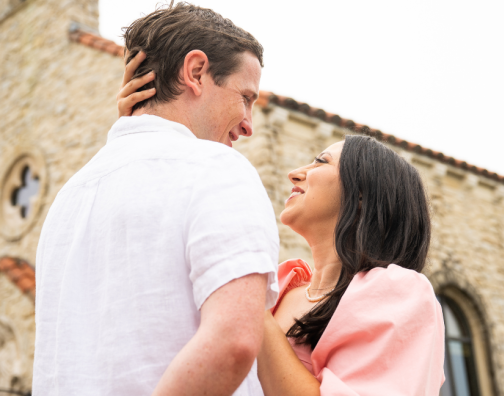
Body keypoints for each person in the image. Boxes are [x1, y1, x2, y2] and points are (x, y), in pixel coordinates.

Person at [120, 71, 446, 393]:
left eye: (320, 162)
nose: (295, 173)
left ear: (362, 195)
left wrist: (244, 297)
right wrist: (143, 132)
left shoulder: (399, 292)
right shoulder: (280, 285)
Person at [33, 2, 279, 396]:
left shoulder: (69, 197)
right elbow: (233, 343)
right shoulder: (217, 168)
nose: (248, 124)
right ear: (196, 72)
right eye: (245, 97)